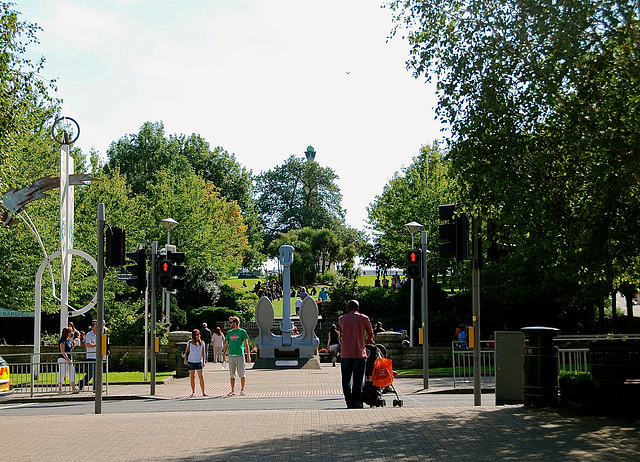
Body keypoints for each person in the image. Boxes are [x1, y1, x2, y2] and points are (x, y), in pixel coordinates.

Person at [338, 300, 374, 409]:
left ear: (349, 308)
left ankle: (348, 401)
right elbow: (371, 334)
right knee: (358, 379)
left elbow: (341, 332)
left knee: (346, 379)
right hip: (359, 352)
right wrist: (366, 340)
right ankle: (357, 401)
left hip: (346, 353)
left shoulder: (341, 319)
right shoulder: (364, 318)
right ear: (357, 308)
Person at [223, 316, 251, 396]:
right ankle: (232, 390)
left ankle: (242, 390)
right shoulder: (229, 333)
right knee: (232, 373)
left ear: (235, 323)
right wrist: (224, 355)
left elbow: (246, 344)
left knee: (242, 373)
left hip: (240, 355)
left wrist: (248, 355)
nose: (229, 324)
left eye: (231, 322)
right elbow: (226, 344)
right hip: (231, 355)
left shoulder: (242, 332)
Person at [184, 329, 208, 397]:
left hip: (198, 361)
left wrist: (203, 361)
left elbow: (203, 353)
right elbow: (186, 352)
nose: (198, 336)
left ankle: (203, 392)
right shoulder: (189, 342)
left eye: (199, 334)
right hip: (191, 361)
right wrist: (185, 360)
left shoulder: (202, 343)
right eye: (197, 334)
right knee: (192, 376)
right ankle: (193, 391)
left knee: (201, 376)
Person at [78, 320, 97, 391]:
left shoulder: (99, 334)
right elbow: (88, 345)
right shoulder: (89, 335)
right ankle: (82, 383)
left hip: (97, 356)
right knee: (92, 373)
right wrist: (97, 344)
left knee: (95, 373)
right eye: (96, 326)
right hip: (91, 356)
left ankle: (95, 388)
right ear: (92, 327)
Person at [57, 326, 77, 393]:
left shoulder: (68, 340)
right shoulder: (62, 341)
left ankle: (73, 388)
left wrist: (73, 345)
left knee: (72, 372)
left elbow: (69, 350)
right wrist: (67, 359)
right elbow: (62, 351)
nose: (71, 333)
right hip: (63, 359)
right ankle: (60, 389)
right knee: (62, 373)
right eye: (70, 332)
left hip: (68, 359)